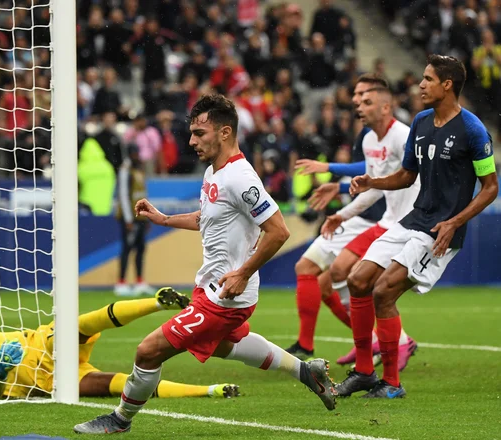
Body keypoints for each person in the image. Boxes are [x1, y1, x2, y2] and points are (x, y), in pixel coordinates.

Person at [73, 94, 337, 435]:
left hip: (226, 295)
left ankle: (120, 419)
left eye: (200, 133)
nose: (192, 141)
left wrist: (243, 272)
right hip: (212, 286)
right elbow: (206, 217)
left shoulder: (241, 177)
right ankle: (305, 370)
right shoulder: (215, 171)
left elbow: (278, 230)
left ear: (225, 132)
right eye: (192, 133)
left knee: (148, 351)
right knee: (227, 346)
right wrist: (164, 219)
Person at [341, 55, 498, 398]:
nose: (420, 85)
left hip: (441, 229)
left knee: (383, 291)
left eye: (428, 79)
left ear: (447, 85)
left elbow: (490, 187)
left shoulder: (472, 130)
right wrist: (373, 183)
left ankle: (392, 384)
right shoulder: (421, 121)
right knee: (357, 280)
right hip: (413, 218)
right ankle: (365, 373)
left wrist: (454, 222)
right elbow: (407, 175)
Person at [0, 284, 240, 400]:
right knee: (114, 385)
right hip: (47, 382)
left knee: (75, 326)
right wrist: (3, 372)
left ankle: (157, 302)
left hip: (40, 343)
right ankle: (208, 390)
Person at [286, 74, 417, 370]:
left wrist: (333, 174)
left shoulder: (401, 135)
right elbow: (371, 178)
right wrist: (342, 203)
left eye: (364, 97)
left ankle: (386, 349)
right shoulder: (368, 135)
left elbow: (381, 177)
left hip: (401, 222)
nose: (357, 102)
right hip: (379, 218)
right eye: (357, 96)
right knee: (336, 277)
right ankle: (371, 351)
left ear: (384, 104)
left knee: (361, 283)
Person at [114, 145, 155, 297]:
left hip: (141, 217)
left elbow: (143, 194)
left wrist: (148, 216)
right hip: (130, 217)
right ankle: (121, 282)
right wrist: (128, 218)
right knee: (127, 248)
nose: (137, 156)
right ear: (130, 154)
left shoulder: (139, 169)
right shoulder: (125, 170)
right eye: (135, 153)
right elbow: (123, 195)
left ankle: (139, 281)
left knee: (141, 248)